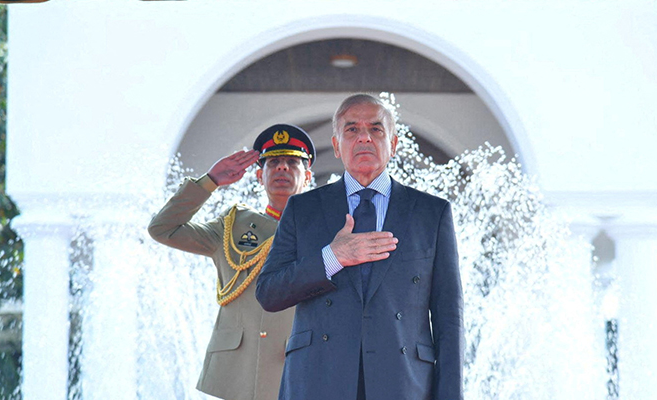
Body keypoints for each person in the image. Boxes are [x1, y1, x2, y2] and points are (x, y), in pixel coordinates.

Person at [256, 94, 464, 400]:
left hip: (404, 382)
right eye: (351, 129)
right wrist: (332, 257)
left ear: (393, 144)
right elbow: (269, 293)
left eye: (376, 129)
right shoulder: (303, 209)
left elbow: (449, 317)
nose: (364, 137)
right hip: (317, 380)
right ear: (337, 145)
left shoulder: (431, 213)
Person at [148, 124, 315, 400]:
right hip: (236, 373)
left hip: (297, 370)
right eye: (273, 162)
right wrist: (210, 181)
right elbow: (162, 229)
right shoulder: (233, 225)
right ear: (260, 176)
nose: (282, 168)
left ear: (307, 176)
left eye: (292, 162)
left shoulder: (326, 229)